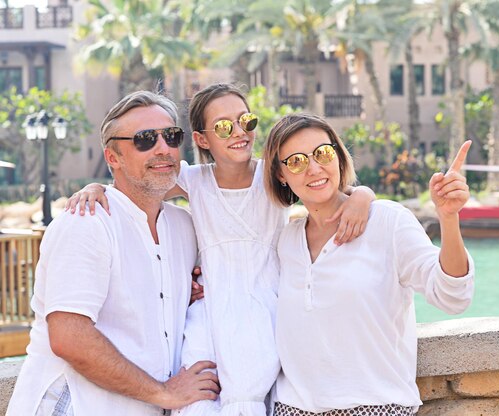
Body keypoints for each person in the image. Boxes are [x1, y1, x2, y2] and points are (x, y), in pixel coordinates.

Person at [65, 84, 375, 416]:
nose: (239, 132)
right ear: (201, 139)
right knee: (199, 396)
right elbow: (136, 182)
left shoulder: (272, 176)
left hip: (265, 310)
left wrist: (363, 195)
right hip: (209, 312)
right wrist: (96, 187)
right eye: (224, 127)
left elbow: (324, 187)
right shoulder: (194, 180)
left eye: (247, 121)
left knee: (252, 393)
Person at [7, 91, 220, 416]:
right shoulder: (86, 224)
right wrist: (163, 393)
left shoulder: (184, 227)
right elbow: (70, 338)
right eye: (145, 139)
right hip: (76, 406)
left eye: (171, 136)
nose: (163, 148)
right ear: (113, 157)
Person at [263, 113, 475, 415]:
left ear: (337, 157)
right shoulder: (286, 240)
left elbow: (453, 296)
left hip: (378, 407)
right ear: (281, 174)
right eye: (296, 161)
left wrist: (449, 218)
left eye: (322, 153)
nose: (313, 168)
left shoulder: (388, 221)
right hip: (292, 408)